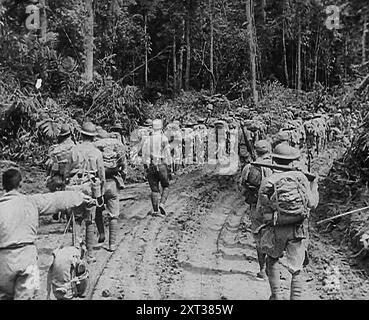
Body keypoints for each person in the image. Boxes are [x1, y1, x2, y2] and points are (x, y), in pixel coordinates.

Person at [0, 168, 94, 300]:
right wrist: (80, 197)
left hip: (3, 260)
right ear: (20, 184)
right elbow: (55, 199)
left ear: (3, 185)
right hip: (26, 258)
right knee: (26, 297)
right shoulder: (31, 202)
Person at [257, 144, 319, 300]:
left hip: (275, 228)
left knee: (272, 259)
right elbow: (312, 204)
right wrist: (315, 187)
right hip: (297, 229)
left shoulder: (268, 181)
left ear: (274, 160)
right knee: (297, 268)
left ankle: (276, 295)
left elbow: (260, 210)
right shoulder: (301, 178)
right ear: (292, 162)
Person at [64, 121, 106, 263]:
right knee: (90, 221)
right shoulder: (97, 153)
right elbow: (101, 176)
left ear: (81, 135)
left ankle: (76, 253)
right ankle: (90, 255)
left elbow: (66, 172)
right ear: (94, 137)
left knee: (76, 220)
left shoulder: (74, 150)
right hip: (90, 188)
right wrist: (101, 192)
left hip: (74, 188)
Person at [239, 140, 273, 280]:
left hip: (256, 207)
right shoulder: (275, 166)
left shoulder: (249, 167)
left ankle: (262, 270)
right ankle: (273, 269)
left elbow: (242, 186)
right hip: (273, 207)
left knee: (259, 236)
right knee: (273, 236)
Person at [94, 128, 127, 251]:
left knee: (97, 210)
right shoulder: (117, 146)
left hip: (98, 184)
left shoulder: (94, 148)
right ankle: (112, 244)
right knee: (113, 215)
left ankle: (101, 233)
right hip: (113, 182)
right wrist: (122, 179)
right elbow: (124, 167)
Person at [141, 119, 173, 216]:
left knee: (154, 189)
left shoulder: (147, 139)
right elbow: (168, 154)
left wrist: (146, 167)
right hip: (162, 164)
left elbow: (144, 155)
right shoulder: (163, 138)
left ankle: (155, 211)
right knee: (166, 186)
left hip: (151, 165)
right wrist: (170, 166)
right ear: (161, 127)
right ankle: (162, 204)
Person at [45, 124, 76, 192]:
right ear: (70, 135)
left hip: (58, 178)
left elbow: (48, 166)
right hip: (72, 178)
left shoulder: (54, 150)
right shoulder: (76, 149)